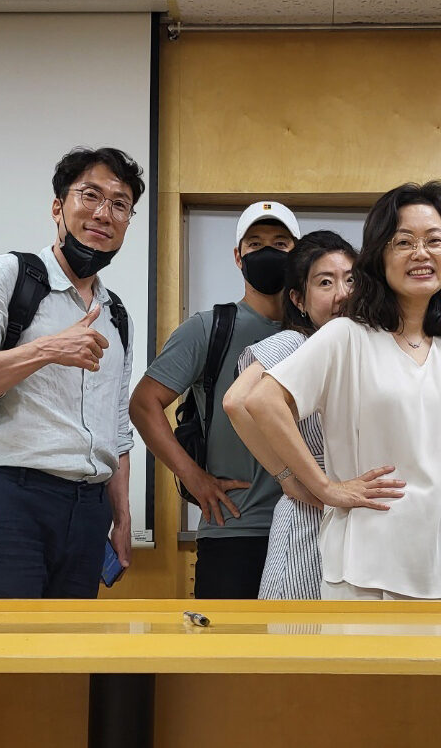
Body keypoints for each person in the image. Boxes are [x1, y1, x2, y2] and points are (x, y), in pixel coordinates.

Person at [244, 182, 441, 601]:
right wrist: (325, 488)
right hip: (365, 563)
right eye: (404, 241)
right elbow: (262, 400)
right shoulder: (346, 337)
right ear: (379, 255)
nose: (422, 253)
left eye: (435, 240)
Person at [0, 146, 143, 598]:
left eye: (120, 204)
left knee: (69, 644)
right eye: (90, 195)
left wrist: (122, 518)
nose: (103, 213)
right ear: (57, 207)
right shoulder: (8, 276)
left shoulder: (117, 315)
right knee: (2, 642)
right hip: (11, 498)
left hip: (89, 511)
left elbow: (117, 427)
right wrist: (46, 349)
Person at [131, 201, 301, 598]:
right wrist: (193, 477)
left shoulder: (321, 330)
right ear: (238, 257)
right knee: (229, 640)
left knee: (305, 640)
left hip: (308, 528)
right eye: (255, 244)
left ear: (299, 254)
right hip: (235, 530)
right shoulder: (208, 328)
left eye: (281, 243)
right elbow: (143, 403)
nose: (268, 252)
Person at [223, 230, 356, 599]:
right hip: (308, 517)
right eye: (325, 282)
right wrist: (287, 476)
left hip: (354, 516)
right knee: (300, 630)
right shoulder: (297, 342)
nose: (342, 293)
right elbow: (237, 401)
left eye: (351, 280)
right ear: (299, 299)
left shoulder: (361, 349)